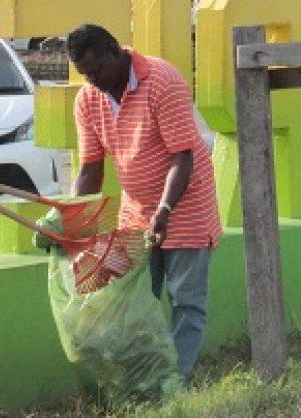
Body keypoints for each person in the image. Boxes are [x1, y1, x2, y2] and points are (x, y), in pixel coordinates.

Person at [66, 23, 222, 386]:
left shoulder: (162, 80)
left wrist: (165, 210)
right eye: (85, 75)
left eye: (98, 70)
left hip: (185, 205)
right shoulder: (88, 99)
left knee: (186, 301)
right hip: (135, 211)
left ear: (114, 50)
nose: (93, 81)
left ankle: (173, 383)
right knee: (138, 303)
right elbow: (90, 168)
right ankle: (145, 377)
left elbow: (182, 156)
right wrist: (72, 219)